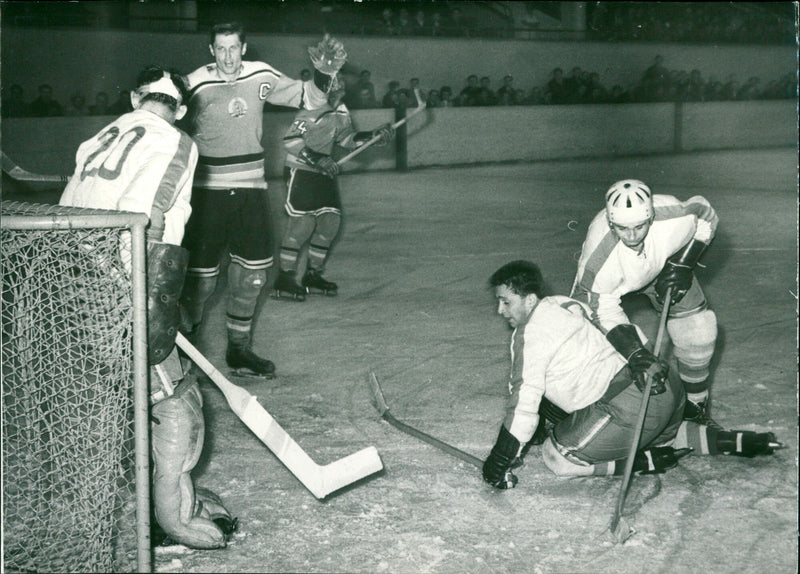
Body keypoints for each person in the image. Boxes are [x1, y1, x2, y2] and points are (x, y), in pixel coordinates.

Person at [59, 66, 237, 548]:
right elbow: (146, 219)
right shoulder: (176, 140)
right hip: (125, 286)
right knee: (176, 407)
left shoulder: (99, 136)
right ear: (180, 109)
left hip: (72, 286)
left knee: (111, 402)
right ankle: (175, 518)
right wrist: (143, 302)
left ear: (136, 96)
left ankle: (110, 504)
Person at [482, 260, 781, 489]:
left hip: (627, 406)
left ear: (530, 300)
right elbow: (608, 331)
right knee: (652, 432)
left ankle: (639, 461)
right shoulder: (564, 304)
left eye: (506, 301)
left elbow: (524, 399)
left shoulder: (529, 334)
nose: (500, 310)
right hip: (664, 386)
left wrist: (500, 460)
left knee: (556, 457)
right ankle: (732, 441)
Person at [178, 22, 345, 379]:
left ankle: (238, 351)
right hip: (207, 195)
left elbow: (309, 98)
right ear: (211, 50)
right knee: (200, 283)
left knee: (252, 277)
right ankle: (183, 351)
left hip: (251, 192)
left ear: (244, 47)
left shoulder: (260, 75)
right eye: (220, 49)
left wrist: (323, 73)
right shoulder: (194, 85)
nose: (227, 57)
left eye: (233, 48)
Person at [570, 179, 725, 430]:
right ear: (611, 223)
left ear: (651, 217)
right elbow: (599, 306)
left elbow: (706, 215)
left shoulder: (674, 215)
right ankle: (562, 410)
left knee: (699, 329)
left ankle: (695, 407)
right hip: (611, 286)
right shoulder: (599, 260)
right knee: (589, 346)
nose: (632, 236)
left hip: (665, 266)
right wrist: (635, 353)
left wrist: (684, 263)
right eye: (622, 228)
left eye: (639, 226)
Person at [274, 74, 394, 300]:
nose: (340, 84)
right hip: (301, 170)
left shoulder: (341, 109)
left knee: (330, 222)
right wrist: (317, 159)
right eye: (334, 82)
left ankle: (313, 275)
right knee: (302, 224)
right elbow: (290, 140)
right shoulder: (312, 109)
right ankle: (285, 277)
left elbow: (346, 138)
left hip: (324, 171)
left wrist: (373, 136)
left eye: (341, 81)